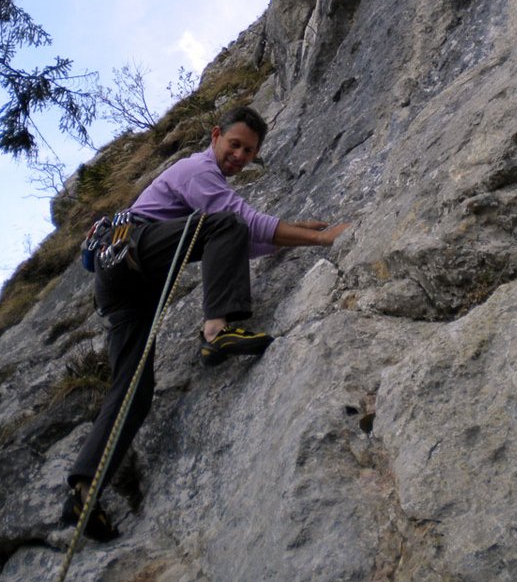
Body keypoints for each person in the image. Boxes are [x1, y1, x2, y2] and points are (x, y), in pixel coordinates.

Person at [61, 105, 349, 540]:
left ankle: (84, 490)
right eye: (235, 145)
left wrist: (292, 234)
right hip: (134, 250)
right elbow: (239, 223)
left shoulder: (208, 188)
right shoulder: (197, 169)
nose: (240, 156)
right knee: (226, 222)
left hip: (123, 281)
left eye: (249, 152)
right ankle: (216, 330)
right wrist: (320, 238)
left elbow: (238, 241)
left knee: (134, 389)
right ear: (215, 136)